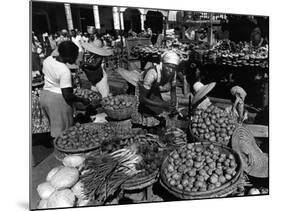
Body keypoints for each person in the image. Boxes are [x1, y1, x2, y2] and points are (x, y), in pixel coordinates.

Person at [40, 41, 90, 138]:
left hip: (45, 96)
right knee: (63, 133)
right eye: (75, 56)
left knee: (54, 127)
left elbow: (46, 75)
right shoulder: (64, 71)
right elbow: (67, 95)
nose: (76, 59)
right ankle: (60, 152)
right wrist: (81, 99)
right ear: (68, 56)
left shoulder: (48, 60)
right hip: (57, 101)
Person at [138, 51, 180, 116]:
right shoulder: (152, 73)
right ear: (162, 64)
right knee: (147, 111)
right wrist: (161, 104)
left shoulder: (173, 73)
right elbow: (142, 98)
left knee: (159, 110)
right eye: (169, 67)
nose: (171, 70)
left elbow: (173, 89)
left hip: (154, 87)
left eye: (173, 68)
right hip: (143, 87)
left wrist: (173, 101)